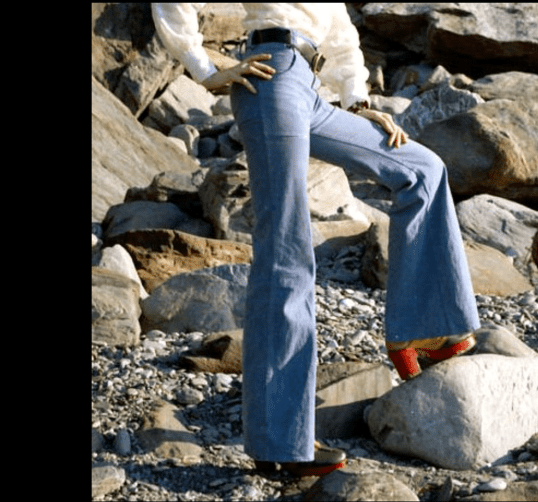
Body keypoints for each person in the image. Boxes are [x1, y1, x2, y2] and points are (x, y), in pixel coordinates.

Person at [151, 3, 481, 477]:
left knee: (421, 169)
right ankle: (281, 445)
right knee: (287, 253)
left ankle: (422, 330)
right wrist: (203, 67)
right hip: (269, 77)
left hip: (309, 87)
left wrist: (358, 100)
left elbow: (340, 30)